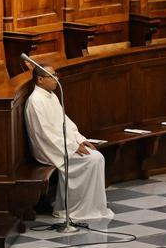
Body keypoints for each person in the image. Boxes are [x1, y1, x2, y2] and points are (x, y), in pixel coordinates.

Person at [24, 63, 114, 221]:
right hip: (48, 148)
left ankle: (90, 206)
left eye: (56, 74)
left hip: (61, 144)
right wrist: (72, 146)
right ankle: (73, 208)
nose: (56, 79)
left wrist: (80, 139)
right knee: (93, 160)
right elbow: (44, 134)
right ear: (40, 79)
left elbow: (65, 122)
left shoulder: (51, 96)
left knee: (97, 157)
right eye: (52, 76)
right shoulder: (35, 101)